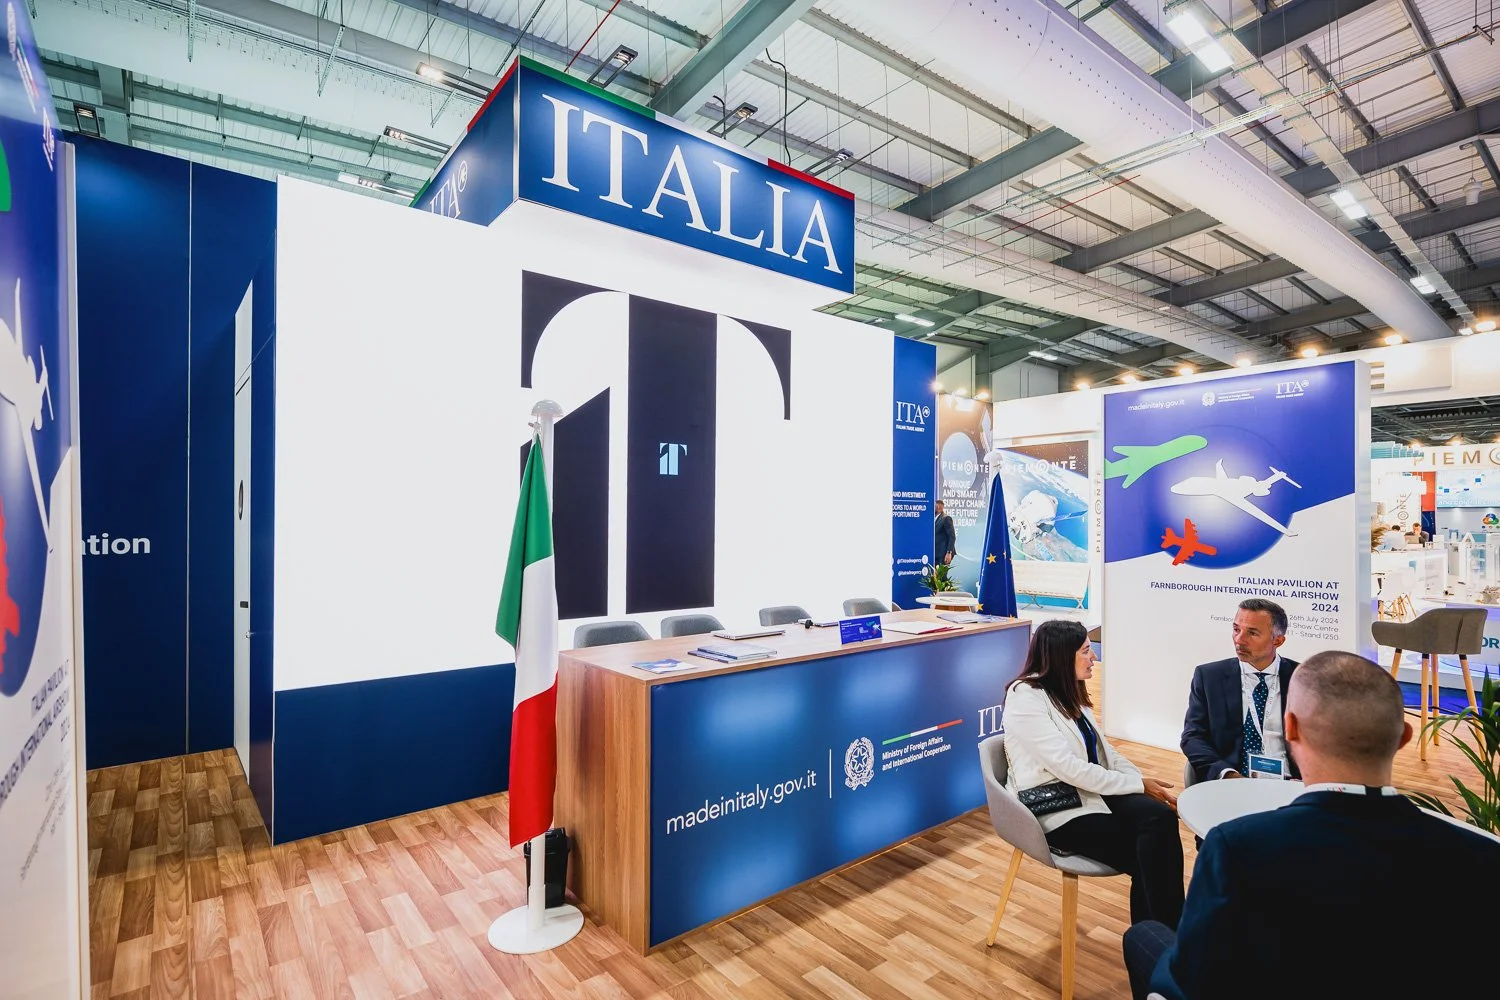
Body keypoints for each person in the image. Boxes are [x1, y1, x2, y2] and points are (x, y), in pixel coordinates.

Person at [1124, 650, 1500, 1000]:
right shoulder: (1485, 857)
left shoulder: (1236, 848)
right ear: (1403, 737)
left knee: (1144, 937)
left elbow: (1194, 981)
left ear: (1291, 729)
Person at [1002, 620, 1184, 927]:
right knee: (1151, 854)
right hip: (1057, 808)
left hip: (1087, 792)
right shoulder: (1026, 697)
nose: (1094, 658)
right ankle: (1168, 944)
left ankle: (1158, 945)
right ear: (1062, 656)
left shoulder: (1069, 690)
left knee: (1160, 821)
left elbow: (1106, 753)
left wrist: (1140, 781)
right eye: (1086, 651)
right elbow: (1068, 768)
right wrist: (1137, 786)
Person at [1181, 599, 1300, 782]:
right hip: (1232, 781)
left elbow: (1324, 743)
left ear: (1278, 640)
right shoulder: (1209, 677)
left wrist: (1309, 779)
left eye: (1252, 633)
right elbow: (1193, 737)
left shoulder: (1303, 679)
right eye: (1236, 629)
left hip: (1289, 784)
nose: (1239, 639)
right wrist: (1227, 774)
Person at [934, 499, 956, 566]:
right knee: (935, 576)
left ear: (938, 507)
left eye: (933, 506)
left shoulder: (946, 518)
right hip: (935, 554)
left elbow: (952, 536)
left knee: (942, 576)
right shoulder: (934, 518)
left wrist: (949, 552)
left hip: (943, 554)